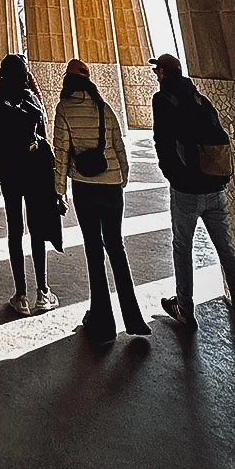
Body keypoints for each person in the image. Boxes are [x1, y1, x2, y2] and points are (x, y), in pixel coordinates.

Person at [151, 52, 235, 361]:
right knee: (228, 254)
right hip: (215, 189)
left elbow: (162, 142)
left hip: (187, 190)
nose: (156, 75)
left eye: (158, 70)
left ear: (163, 74)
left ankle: (185, 308)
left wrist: (174, 175)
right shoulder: (199, 98)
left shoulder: (163, 101)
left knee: (182, 247)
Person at [55, 58, 150, 343]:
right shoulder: (105, 109)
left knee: (94, 253)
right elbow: (120, 147)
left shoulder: (65, 109)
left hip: (84, 187)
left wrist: (58, 190)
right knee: (116, 249)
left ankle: (103, 321)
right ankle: (133, 318)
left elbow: (61, 154)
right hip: (111, 187)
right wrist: (122, 180)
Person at [0, 53, 62, 316]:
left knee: (15, 229)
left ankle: (21, 295)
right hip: (35, 172)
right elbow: (45, 137)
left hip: (10, 172)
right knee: (37, 229)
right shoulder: (32, 99)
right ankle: (43, 291)